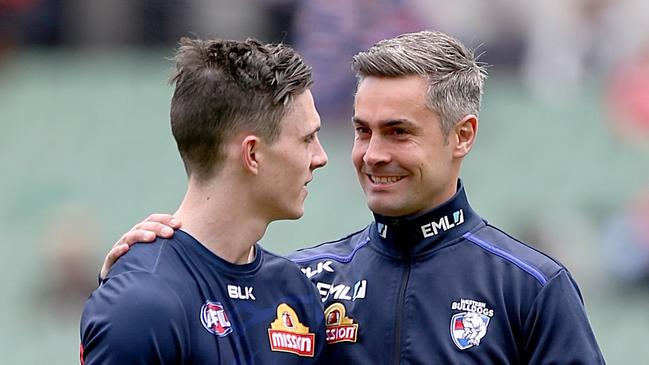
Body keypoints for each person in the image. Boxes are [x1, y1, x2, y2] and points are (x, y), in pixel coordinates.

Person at [100, 31, 606, 364]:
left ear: (463, 135)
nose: (371, 154)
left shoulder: (530, 289)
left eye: (398, 132)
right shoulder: (299, 287)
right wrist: (145, 266)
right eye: (363, 131)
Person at [80, 37, 329, 364]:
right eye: (307, 138)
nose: (320, 157)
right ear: (252, 154)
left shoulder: (295, 292)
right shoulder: (142, 302)